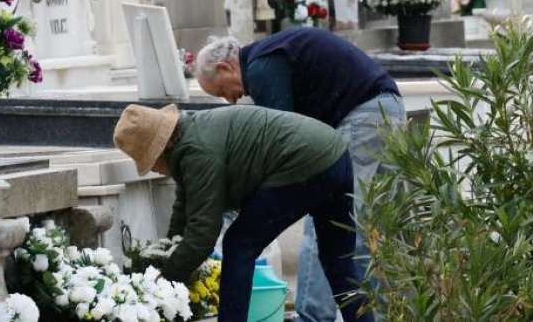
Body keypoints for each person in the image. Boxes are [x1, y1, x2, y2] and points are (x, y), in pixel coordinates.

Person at [194, 27, 403, 322]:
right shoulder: (272, 56)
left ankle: (312, 316)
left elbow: (285, 144)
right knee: (372, 229)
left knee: (330, 224)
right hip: (387, 107)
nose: (230, 100)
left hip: (363, 115)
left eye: (221, 91)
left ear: (224, 67)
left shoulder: (261, 67)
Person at [113, 104, 373, 322]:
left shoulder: (197, 153)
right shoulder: (190, 139)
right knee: (339, 262)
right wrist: (167, 250)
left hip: (304, 162)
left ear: (162, 148)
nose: (154, 170)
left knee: (239, 244)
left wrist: (165, 281)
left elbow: (203, 235)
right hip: (334, 155)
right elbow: (186, 208)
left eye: (150, 162)